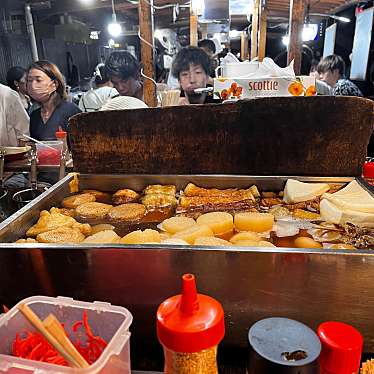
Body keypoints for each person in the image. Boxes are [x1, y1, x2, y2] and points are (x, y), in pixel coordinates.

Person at [27, 60, 81, 141]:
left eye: (38, 80)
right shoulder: (34, 116)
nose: (32, 85)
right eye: (29, 80)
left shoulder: (71, 112)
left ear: (54, 84)